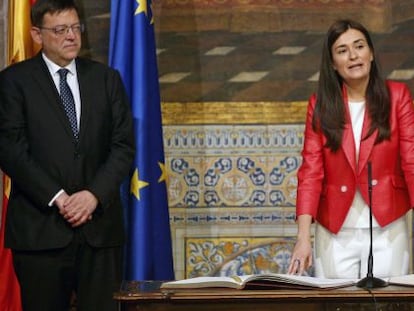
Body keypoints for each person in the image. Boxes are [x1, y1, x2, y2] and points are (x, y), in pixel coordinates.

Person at [0, 0, 135, 310]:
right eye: (60, 30)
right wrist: (59, 197)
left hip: (99, 232)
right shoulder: (13, 82)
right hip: (41, 232)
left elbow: (123, 146)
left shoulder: (106, 79)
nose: (72, 36)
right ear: (37, 33)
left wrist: (93, 195)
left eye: (76, 28)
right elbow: (11, 150)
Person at [287, 19, 414, 279]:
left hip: (388, 227)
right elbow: (310, 172)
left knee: (389, 304)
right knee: (336, 304)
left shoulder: (397, 96)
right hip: (335, 230)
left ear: (371, 53)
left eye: (359, 46)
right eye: (342, 50)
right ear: (333, 62)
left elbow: (411, 160)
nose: (353, 56)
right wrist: (303, 237)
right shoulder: (321, 105)